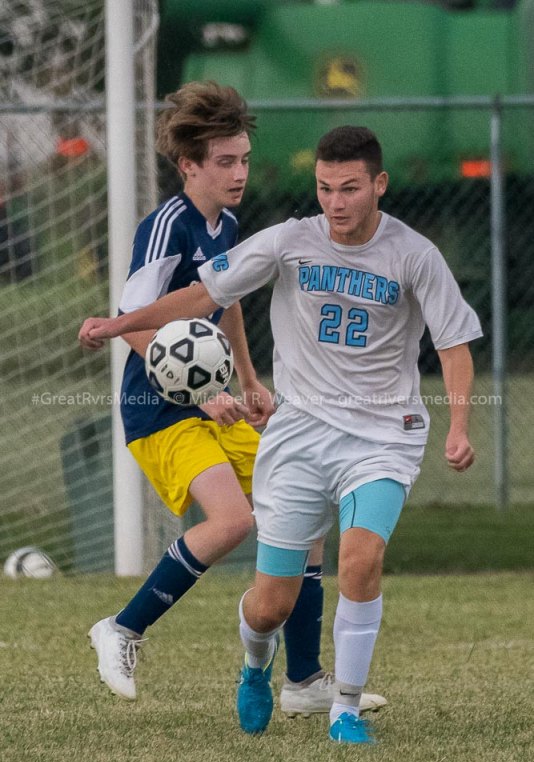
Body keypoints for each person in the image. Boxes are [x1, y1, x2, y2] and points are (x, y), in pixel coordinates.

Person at [77, 124, 479, 744]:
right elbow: (202, 296)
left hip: (382, 437)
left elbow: (453, 343)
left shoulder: (415, 255)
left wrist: (459, 426)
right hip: (299, 439)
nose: (335, 202)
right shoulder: (289, 240)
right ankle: (257, 665)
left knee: (360, 559)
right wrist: (118, 325)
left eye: (350, 189)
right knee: (270, 606)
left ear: (379, 184)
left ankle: (343, 709)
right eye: (324, 188)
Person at [85, 83, 386, 717]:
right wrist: (205, 392)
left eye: (244, 159)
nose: (239, 173)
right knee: (233, 522)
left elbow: (229, 303)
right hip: (159, 410)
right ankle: (122, 628)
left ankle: (303, 681)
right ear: (189, 165)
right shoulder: (166, 225)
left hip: (213, 403)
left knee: (306, 521)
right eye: (225, 161)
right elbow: (134, 322)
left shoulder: (227, 225)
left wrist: (248, 382)